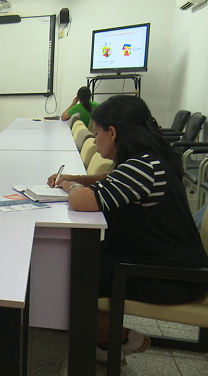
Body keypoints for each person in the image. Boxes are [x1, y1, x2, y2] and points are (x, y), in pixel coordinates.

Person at [47, 95, 208, 365]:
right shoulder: (151, 159)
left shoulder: (143, 166)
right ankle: (104, 339)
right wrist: (77, 178)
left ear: (112, 133)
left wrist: (69, 186)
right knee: (73, 261)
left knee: (67, 272)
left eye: (97, 133)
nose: (95, 139)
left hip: (169, 276)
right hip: (167, 261)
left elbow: (79, 200)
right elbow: (112, 178)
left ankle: (116, 337)